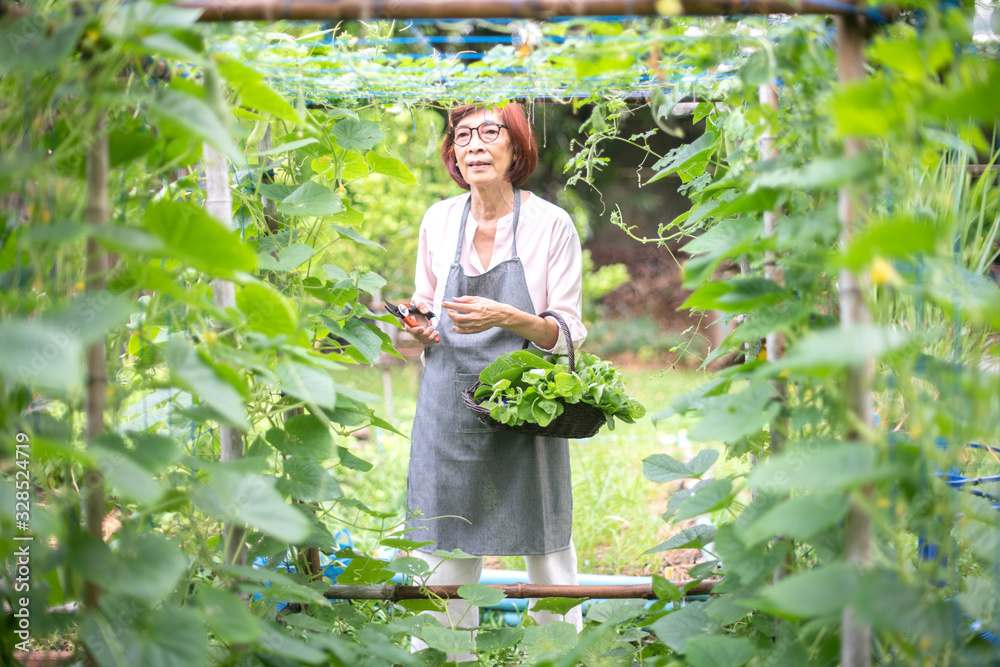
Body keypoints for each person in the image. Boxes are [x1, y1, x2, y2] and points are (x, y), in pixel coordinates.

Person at [402, 103, 588, 655]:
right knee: (443, 532)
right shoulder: (437, 219)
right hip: (446, 402)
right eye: (464, 135)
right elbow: (424, 307)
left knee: (546, 535)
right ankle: (442, 654)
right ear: (454, 153)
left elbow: (569, 333)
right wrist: (416, 327)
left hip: (525, 399)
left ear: (516, 149)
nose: (476, 144)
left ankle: (558, 652)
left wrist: (506, 316)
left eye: (491, 132)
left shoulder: (549, 223)